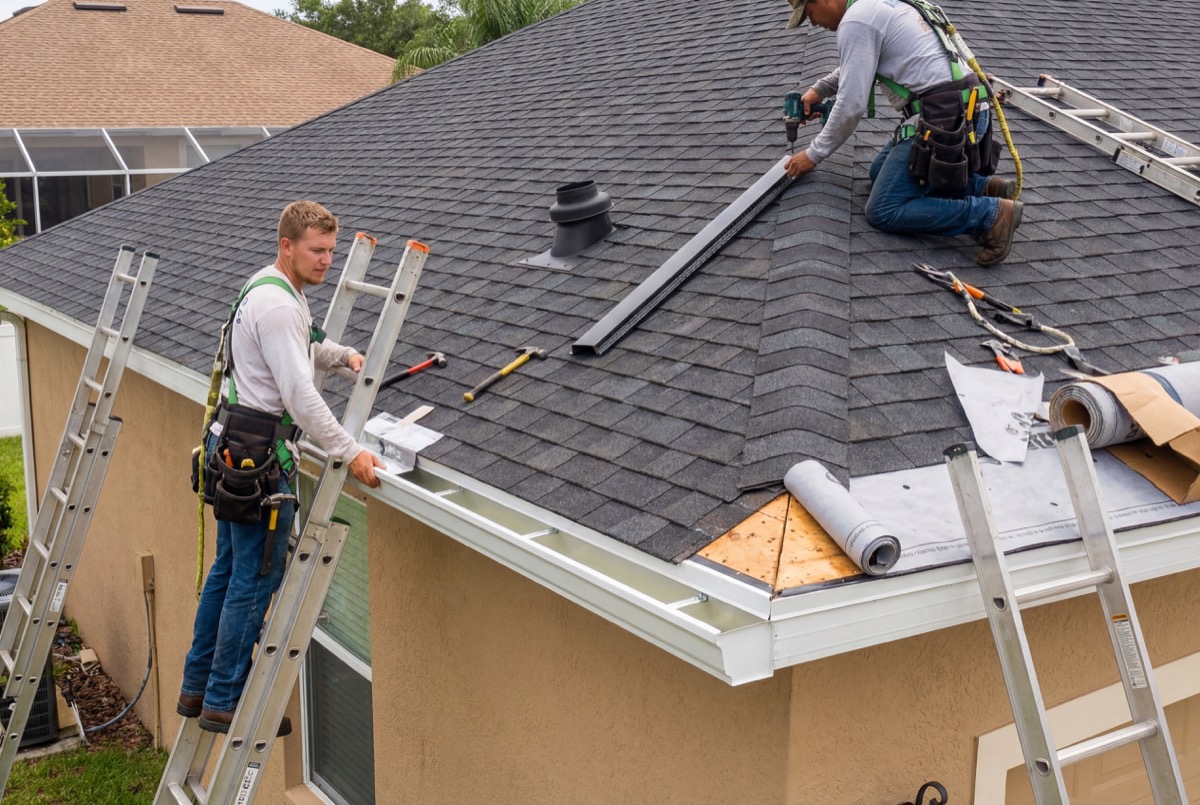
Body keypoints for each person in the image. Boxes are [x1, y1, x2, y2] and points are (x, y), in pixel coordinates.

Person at [178, 200, 386, 736]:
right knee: (256, 576)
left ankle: (198, 687)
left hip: (233, 444)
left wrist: (341, 356)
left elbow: (302, 346)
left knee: (226, 572)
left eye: (331, 252)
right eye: (317, 251)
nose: (326, 262)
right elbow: (296, 393)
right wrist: (351, 450)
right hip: (260, 454)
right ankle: (227, 698)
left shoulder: (269, 287)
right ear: (287, 246)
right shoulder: (277, 306)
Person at [782, 0, 1023, 265]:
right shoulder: (876, 6)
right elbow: (859, 61)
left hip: (946, 123)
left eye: (809, 14)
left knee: (883, 209)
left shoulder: (856, 21)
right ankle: (983, 187)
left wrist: (813, 155)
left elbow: (851, 105)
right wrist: (820, 89)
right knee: (877, 172)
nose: (813, 23)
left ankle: (989, 216)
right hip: (969, 111)